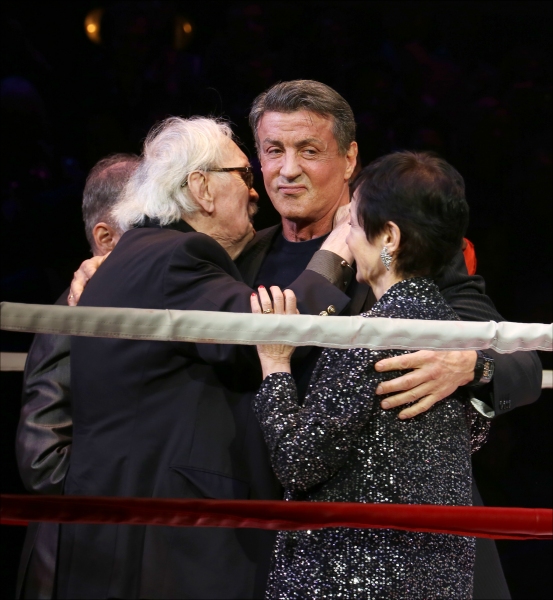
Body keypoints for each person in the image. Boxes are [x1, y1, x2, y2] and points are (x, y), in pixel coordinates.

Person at [63, 80, 542, 598]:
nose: (288, 169)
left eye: (308, 151)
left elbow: (522, 361)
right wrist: (106, 271)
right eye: (272, 151)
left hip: (400, 548)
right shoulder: (230, 256)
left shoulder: (401, 244)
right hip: (264, 543)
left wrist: (471, 365)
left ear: (350, 158)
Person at [55, 116, 357, 600]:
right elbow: (261, 334)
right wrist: (337, 250)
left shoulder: (134, 256)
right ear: (201, 188)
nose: (256, 194)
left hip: (118, 530)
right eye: (244, 176)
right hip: (173, 535)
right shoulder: (178, 255)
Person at [251, 151, 491, 599]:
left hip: (352, 575)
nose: (348, 242)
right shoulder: (457, 339)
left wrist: (276, 365)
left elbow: (298, 461)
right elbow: (473, 436)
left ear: (390, 239)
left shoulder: (374, 336)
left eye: (355, 227)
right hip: (436, 578)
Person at [14, 153, 139, 600]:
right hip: (72, 562)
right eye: (146, 230)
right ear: (105, 239)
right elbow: (43, 462)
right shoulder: (72, 310)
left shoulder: (148, 312)